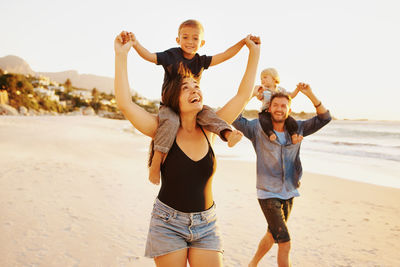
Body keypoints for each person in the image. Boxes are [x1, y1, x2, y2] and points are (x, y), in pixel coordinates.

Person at [115, 31, 260, 266]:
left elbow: (243, 95)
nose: (195, 89)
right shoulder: (160, 128)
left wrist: (254, 52)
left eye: (196, 85)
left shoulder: (212, 129)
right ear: (174, 98)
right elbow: (125, 103)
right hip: (167, 223)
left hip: (207, 224)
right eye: (186, 87)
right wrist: (121, 55)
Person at [127, 19, 248, 185]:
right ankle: (156, 163)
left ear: (202, 42)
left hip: (193, 105)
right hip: (170, 106)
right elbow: (149, 56)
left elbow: (224, 55)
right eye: (185, 37)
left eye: (195, 38)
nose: (190, 42)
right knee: (170, 122)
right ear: (178, 40)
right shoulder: (171, 56)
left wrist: (243, 43)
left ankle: (228, 134)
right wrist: (135, 43)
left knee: (209, 115)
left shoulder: (200, 61)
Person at [232, 84, 332, 267]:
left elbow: (325, 118)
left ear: (289, 109)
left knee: (272, 234)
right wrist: (251, 95)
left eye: (283, 106)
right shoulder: (257, 129)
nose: (279, 109)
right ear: (269, 108)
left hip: (289, 191)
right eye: (276, 105)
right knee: (285, 242)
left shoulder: (298, 129)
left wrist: (310, 93)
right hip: (268, 193)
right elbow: (234, 118)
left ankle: (252, 264)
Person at [254, 68, 301, 144]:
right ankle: (270, 133)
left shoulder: (281, 90)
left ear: (274, 78)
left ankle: (294, 135)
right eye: (261, 79)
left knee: (291, 121)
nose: (262, 80)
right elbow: (259, 96)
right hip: (266, 112)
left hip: (279, 112)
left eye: (265, 77)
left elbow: (291, 95)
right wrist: (257, 92)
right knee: (264, 121)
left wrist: (298, 89)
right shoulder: (264, 90)